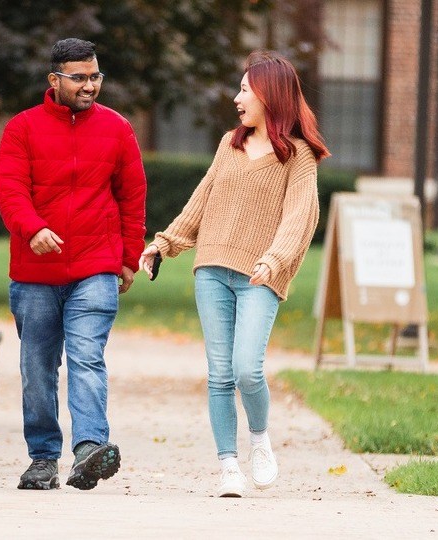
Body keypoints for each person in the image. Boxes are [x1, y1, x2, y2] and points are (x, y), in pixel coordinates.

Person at [138, 50, 328, 497]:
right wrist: (163, 243)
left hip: (260, 275)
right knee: (220, 374)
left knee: (247, 369)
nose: (237, 97)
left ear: (269, 94)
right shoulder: (230, 143)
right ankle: (228, 466)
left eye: (245, 88)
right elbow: (202, 200)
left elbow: (301, 216)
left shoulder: (298, 156)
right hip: (212, 272)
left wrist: (274, 259)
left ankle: (259, 440)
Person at [0, 37, 147, 491]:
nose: (89, 86)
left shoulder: (117, 129)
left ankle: (89, 449)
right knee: (38, 367)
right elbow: (10, 190)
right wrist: (32, 227)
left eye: (95, 76)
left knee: (87, 357)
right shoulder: (22, 128)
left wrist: (127, 258)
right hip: (35, 272)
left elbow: (132, 196)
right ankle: (43, 458)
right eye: (79, 78)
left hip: (95, 265)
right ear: (54, 80)